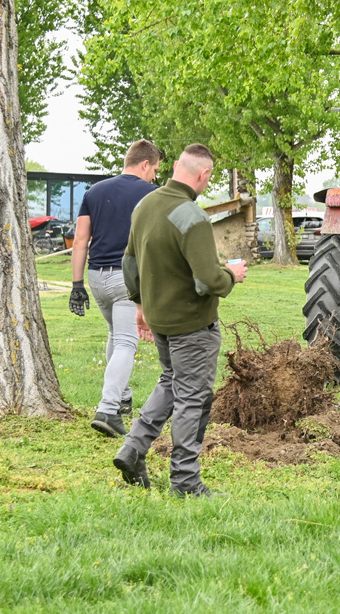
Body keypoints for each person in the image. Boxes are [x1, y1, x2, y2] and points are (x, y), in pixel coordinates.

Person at [112, 144, 248, 497]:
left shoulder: (146, 205)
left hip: (159, 319)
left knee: (171, 381)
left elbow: (129, 264)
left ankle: (132, 448)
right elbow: (207, 282)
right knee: (192, 399)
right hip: (192, 327)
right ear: (203, 175)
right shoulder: (192, 216)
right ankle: (186, 482)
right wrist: (232, 274)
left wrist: (140, 305)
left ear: (175, 166)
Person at [70, 139, 163, 438]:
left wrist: (76, 284)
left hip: (97, 278)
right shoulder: (152, 195)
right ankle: (108, 409)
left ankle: (122, 400)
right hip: (127, 279)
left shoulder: (94, 192)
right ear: (145, 164)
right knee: (126, 342)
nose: (155, 177)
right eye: (155, 170)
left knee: (115, 334)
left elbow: (81, 240)